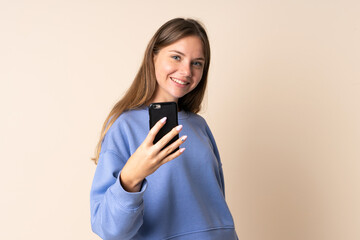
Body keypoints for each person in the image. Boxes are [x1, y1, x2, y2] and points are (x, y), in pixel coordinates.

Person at [90, 18, 238, 240]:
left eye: (197, 63)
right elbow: (110, 230)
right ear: (153, 56)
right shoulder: (125, 126)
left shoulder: (199, 126)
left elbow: (215, 203)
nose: (186, 71)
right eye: (176, 57)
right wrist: (131, 178)